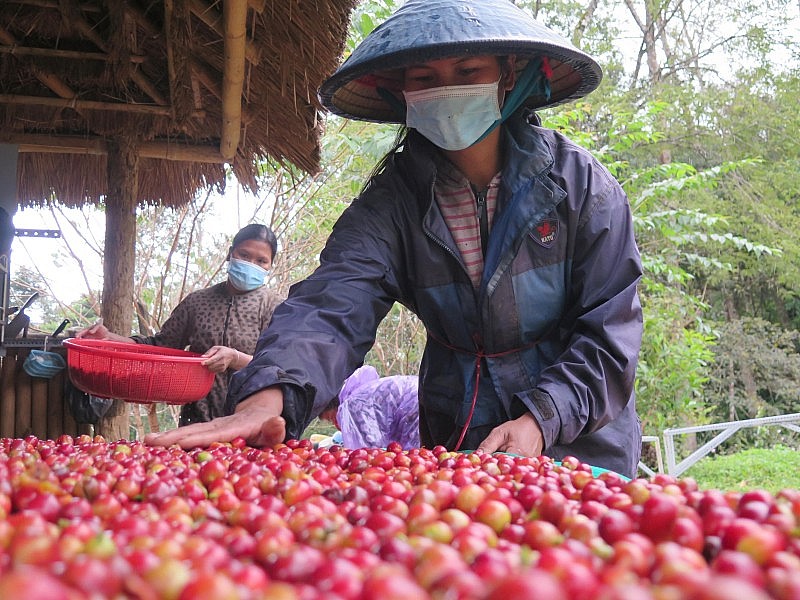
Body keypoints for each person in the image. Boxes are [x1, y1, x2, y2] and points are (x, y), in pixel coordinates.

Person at [145, 0, 644, 477]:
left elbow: (609, 336)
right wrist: (269, 396)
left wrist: (541, 418)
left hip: (581, 448)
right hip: (459, 440)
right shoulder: (392, 204)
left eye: (467, 71)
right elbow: (332, 303)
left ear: (507, 74)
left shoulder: (581, 189)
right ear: (403, 93)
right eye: (424, 79)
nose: (446, 90)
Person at [77, 223, 284, 425]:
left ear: (270, 265)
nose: (251, 264)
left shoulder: (277, 308)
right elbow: (159, 346)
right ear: (230, 254)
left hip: (251, 423)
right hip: (197, 420)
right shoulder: (198, 302)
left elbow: (281, 368)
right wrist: (109, 338)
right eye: (244, 255)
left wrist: (235, 358)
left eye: (261, 261)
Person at [319, 365, 420, 449]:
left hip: (414, 410)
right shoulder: (366, 393)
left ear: (333, 406)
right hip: (421, 392)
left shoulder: (353, 405)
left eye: (331, 418)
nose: (335, 425)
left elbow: (368, 450)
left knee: (417, 459)